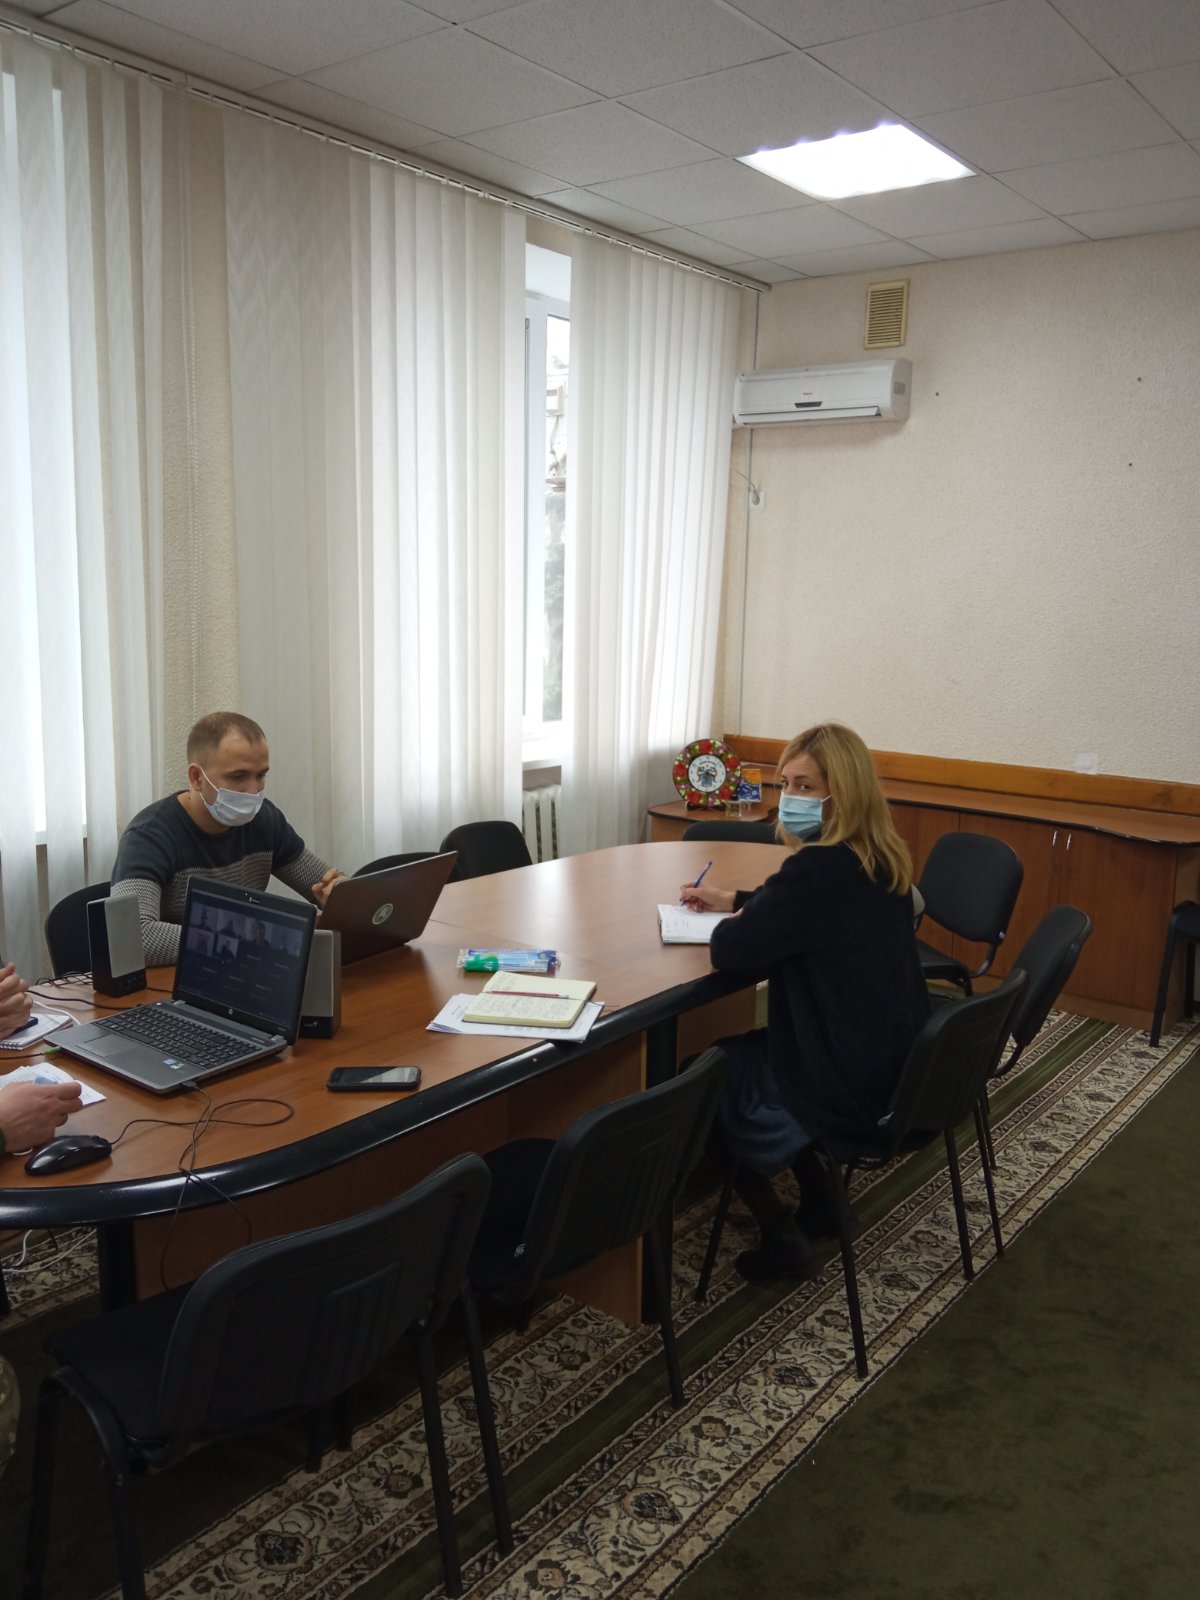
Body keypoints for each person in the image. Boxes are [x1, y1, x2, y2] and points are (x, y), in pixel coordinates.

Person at [680, 723, 929, 1283]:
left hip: (841, 1079)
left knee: (704, 1073)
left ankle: (781, 1236)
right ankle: (823, 1201)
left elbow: (732, 950)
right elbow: (813, 913)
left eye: (806, 786)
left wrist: (737, 916)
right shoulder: (879, 858)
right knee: (750, 1049)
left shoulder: (817, 870)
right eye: (786, 784)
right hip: (891, 1065)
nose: (790, 798)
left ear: (842, 795)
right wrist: (737, 898)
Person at [111, 712, 346, 965]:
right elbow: (132, 937)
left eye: (261, 775)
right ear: (197, 777)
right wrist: (242, 940)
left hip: (241, 969)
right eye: (237, 777)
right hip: (176, 977)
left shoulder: (265, 820)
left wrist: (340, 896)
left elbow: (323, 884)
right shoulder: (149, 836)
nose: (253, 790)